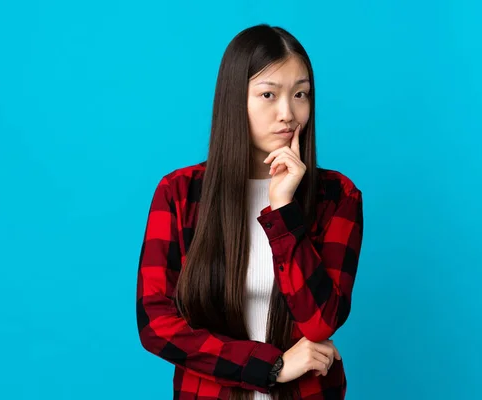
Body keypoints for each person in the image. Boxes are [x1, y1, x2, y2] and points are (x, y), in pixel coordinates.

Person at [136, 24, 364, 400]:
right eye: (268, 94)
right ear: (233, 99)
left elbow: (320, 321)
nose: (288, 113)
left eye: (301, 94)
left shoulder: (337, 196)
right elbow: (156, 324)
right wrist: (271, 366)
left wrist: (284, 209)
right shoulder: (180, 193)